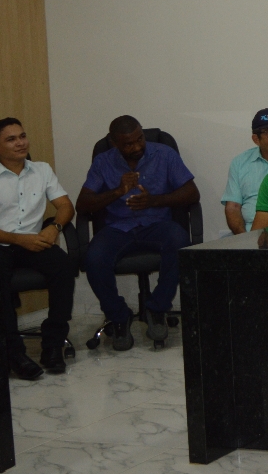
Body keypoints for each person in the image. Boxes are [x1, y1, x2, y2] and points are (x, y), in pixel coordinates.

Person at [77, 115, 200, 351]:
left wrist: (154, 201)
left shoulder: (164, 154)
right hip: (118, 227)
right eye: (128, 144)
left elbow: (192, 193)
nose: (136, 147)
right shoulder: (103, 162)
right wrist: (117, 191)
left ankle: (157, 309)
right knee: (94, 258)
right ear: (114, 143)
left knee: (180, 242)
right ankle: (119, 316)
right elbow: (82, 205)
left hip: (157, 224)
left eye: (139, 139)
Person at [0, 118, 76, 380]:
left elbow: (65, 206)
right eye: (11, 139)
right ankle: (14, 353)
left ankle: (53, 345)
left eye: (22, 136)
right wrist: (19, 239)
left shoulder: (42, 170)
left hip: (32, 242)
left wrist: (54, 228)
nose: (20, 143)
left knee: (63, 266)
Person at [221, 107, 268, 234]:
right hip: (248, 232)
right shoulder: (240, 162)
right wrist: (245, 240)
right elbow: (233, 207)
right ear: (256, 139)